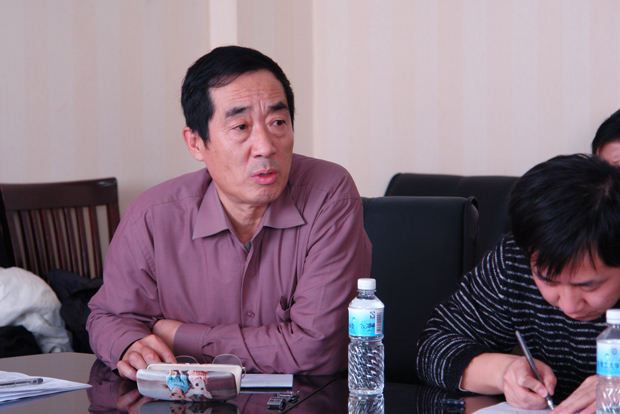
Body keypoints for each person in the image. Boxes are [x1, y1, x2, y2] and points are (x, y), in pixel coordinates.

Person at [86, 45, 371, 381]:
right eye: (240, 127)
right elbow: (108, 318)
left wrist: (179, 337)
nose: (265, 146)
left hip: (307, 400)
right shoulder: (151, 217)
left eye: (278, 122)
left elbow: (318, 349)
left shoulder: (328, 195)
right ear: (196, 143)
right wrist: (130, 344)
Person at [416, 154, 620, 414]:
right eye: (547, 280)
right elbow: (433, 346)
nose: (568, 305)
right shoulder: (514, 259)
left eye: (588, 286)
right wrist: (503, 372)